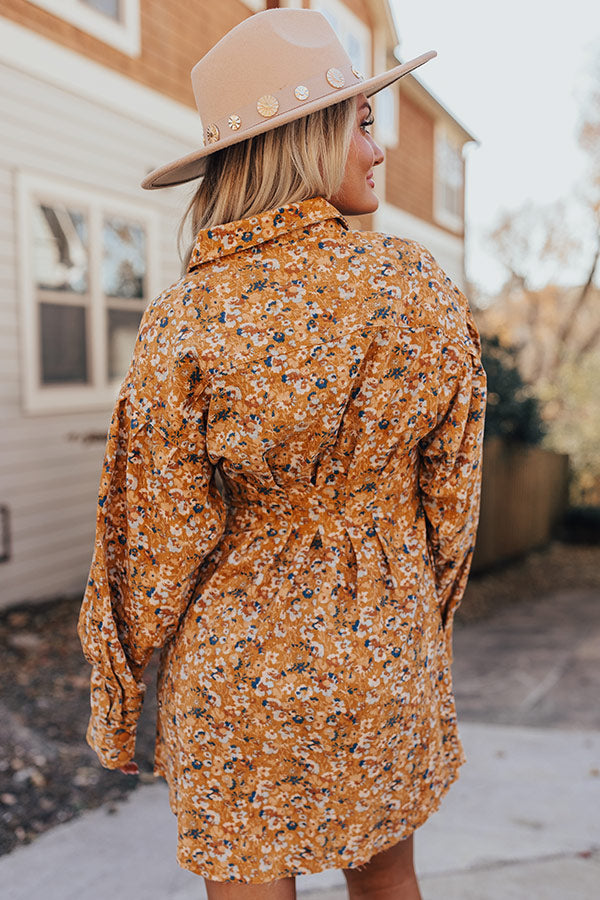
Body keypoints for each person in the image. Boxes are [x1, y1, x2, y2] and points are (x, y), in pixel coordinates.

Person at [78, 9, 486, 900]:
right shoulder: (417, 290)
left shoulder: (187, 317)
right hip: (383, 638)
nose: (378, 151)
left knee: (250, 884)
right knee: (387, 880)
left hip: (239, 662)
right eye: (363, 122)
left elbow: (155, 533)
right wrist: (415, 608)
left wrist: (121, 679)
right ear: (303, 140)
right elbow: (453, 506)